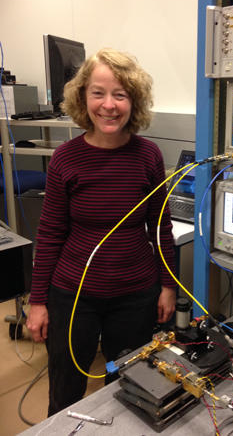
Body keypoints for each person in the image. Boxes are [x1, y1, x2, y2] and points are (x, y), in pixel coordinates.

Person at [26, 48, 177, 416]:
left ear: (133, 101)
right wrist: (38, 301)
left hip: (135, 294)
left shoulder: (149, 156)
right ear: (83, 97)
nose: (109, 105)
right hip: (73, 295)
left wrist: (169, 285)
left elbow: (160, 226)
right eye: (98, 92)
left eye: (120, 94)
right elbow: (49, 234)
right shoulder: (65, 159)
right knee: (65, 389)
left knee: (127, 389)